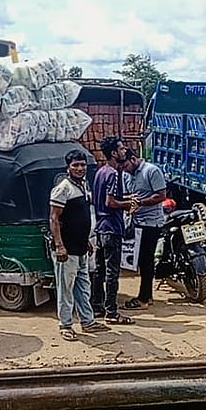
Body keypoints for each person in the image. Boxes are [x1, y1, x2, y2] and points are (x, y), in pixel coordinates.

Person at [49, 149, 110, 341]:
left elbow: (80, 217)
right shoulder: (63, 188)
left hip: (81, 248)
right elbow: (54, 218)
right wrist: (59, 246)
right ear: (68, 168)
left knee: (83, 286)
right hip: (66, 250)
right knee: (65, 288)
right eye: (75, 165)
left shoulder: (83, 186)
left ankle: (87, 321)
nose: (80, 168)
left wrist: (85, 241)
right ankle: (65, 324)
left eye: (82, 165)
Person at [91, 137, 137, 325]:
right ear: (113, 153)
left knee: (99, 270)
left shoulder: (100, 172)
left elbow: (101, 199)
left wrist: (125, 197)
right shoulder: (112, 174)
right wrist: (127, 204)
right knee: (112, 273)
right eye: (120, 148)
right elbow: (110, 202)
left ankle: (96, 306)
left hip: (101, 228)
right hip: (111, 228)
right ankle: (111, 311)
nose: (124, 150)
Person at [122, 151, 168, 310]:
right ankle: (147, 295)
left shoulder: (151, 171)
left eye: (126, 165)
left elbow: (161, 195)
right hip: (136, 222)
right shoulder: (127, 174)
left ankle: (143, 298)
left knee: (146, 260)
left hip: (151, 223)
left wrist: (141, 202)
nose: (125, 169)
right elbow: (128, 195)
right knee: (141, 260)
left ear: (133, 159)